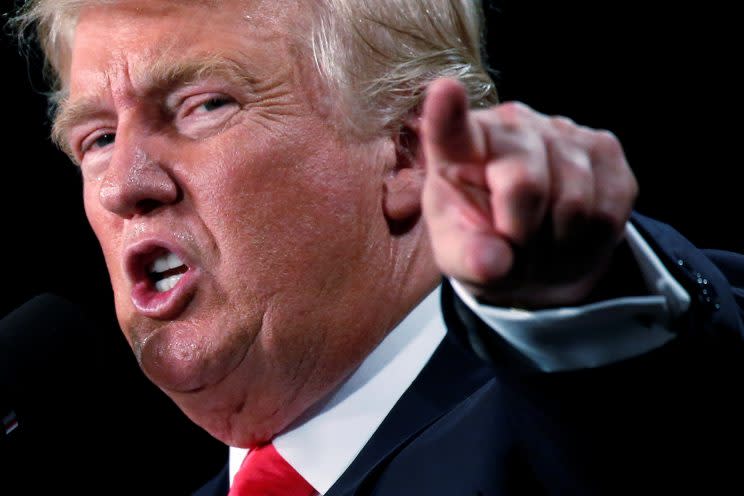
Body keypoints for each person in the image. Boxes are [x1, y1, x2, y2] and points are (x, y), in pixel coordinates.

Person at [12, 0, 744, 494]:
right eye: (99, 138)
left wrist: (582, 302)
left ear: (408, 151)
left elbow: (663, 420)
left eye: (204, 106)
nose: (124, 185)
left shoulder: (559, 436)